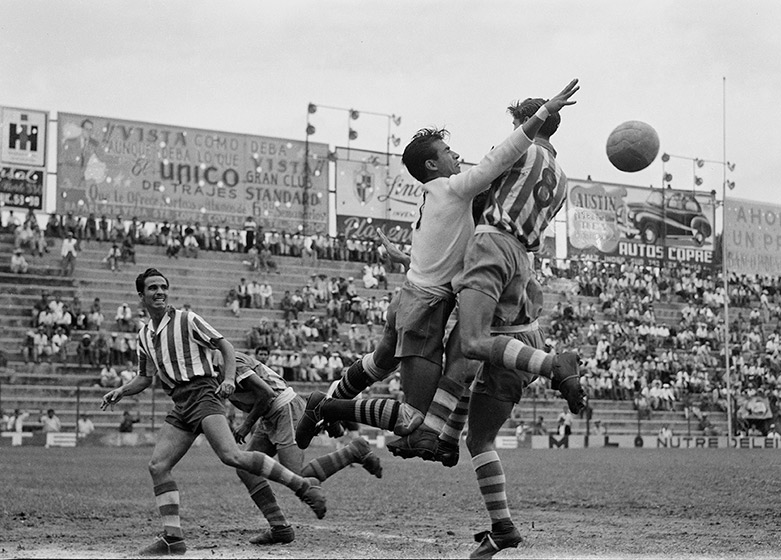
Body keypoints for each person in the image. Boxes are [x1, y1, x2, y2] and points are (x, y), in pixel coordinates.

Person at [294, 81, 582, 459]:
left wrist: (406, 261)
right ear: (433, 165)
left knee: (381, 363)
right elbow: (501, 159)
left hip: (414, 297)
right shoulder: (456, 188)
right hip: (425, 308)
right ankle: (326, 407)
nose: (458, 155)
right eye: (448, 151)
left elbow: (444, 247)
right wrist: (542, 115)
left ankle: (332, 403)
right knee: (416, 414)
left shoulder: (436, 195)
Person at [101, 268, 326, 555]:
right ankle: (173, 539)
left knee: (231, 455)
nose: (159, 292)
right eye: (152, 288)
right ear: (141, 296)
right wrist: (122, 390)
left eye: (163, 287)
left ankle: (302, 486)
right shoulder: (144, 335)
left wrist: (230, 378)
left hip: (203, 392)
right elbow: (145, 377)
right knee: (157, 466)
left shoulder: (187, 319)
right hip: (181, 402)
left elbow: (225, 346)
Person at [230, 349, 382, 545]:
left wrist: (246, 425)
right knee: (245, 467)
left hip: (284, 408)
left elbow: (266, 393)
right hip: (269, 415)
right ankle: (279, 527)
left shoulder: (229, 361)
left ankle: (353, 452)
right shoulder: (212, 365)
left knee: (296, 477)